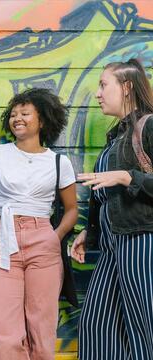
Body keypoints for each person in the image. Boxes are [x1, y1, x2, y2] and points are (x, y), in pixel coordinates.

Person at [0, 88, 78, 359]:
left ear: (42, 120)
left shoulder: (59, 162)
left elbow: (71, 210)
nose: (17, 118)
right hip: (4, 240)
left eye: (25, 113)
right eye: (13, 114)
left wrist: (52, 238)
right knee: (1, 330)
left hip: (42, 241)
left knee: (41, 329)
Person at [71, 59, 153, 359]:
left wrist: (128, 176)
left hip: (141, 242)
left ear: (127, 86)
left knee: (145, 329)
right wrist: (88, 232)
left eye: (104, 85)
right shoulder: (116, 136)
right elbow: (104, 193)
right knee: (96, 326)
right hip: (111, 245)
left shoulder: (149, 125)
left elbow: (124, 181)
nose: (98, 93)